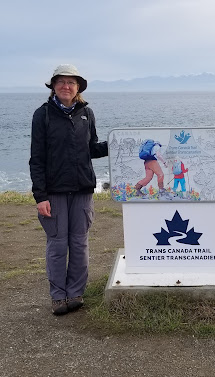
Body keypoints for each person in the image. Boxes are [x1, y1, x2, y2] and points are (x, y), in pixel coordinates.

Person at [29, 64, 108, 315]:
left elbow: (92, 148)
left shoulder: (87, 113)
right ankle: (58, 296)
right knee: (57, 244)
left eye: (71, 82)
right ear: (53, 86)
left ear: (78, 88)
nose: (66, 86)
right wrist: (40, 196)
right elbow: (37, 158)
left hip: (83, 190)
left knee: (80, 243)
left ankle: (75, 292)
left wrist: (118, 142)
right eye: (61, 82)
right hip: (54, 192)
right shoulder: (42, 115)